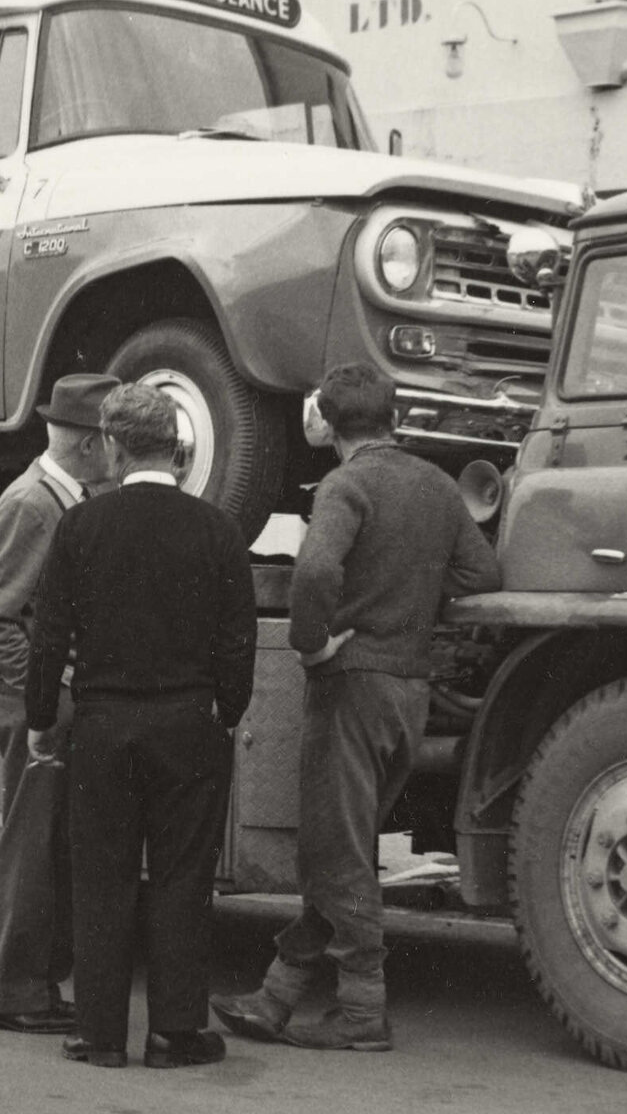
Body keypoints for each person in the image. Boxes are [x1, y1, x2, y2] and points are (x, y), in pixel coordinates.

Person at [212, 363, 501, 1053]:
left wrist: (313, 644)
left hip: (351, 689)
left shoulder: (347, 485)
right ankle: (277, 997)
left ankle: (362, 1011)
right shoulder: (434, 485)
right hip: (410, 694)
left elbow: (314, 572)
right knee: (343, 850)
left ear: (330, 425)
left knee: (335, 856)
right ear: (389, 417)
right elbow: (483, 576)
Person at [26, 383, 257, 1069]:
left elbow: (49, 637)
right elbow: (237, 639)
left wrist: (43, 719)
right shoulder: (218, 530)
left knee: (101, 877)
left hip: (102, 726)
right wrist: (228, 710)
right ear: (179, 449)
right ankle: (174, 1032)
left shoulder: (81, 528)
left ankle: (97, 1033)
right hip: (188, 725)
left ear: (116, 448)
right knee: (183, 878)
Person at [0, 373, 119, 1035]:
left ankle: (31, 985)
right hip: (36, 710)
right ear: (91, 444)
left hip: (42, 705)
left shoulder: (59, 499)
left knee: (47, 852)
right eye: (113, 440)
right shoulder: (34, 505)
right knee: (31, 854)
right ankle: (11, 992)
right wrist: (48, 702)